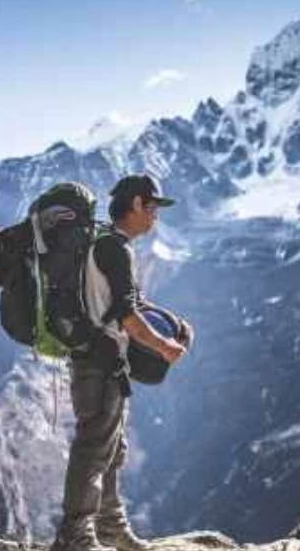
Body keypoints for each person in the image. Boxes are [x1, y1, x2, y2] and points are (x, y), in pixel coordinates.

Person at [51, 174, 194, 551]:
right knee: (95, 446)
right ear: (135, 205)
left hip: (98, 360)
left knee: (112, 447)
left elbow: (122, 304)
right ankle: (76, 536)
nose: (154, 217)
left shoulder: (100, 242)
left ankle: (109, 527)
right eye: (152, 208)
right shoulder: (116, 249)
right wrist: (165, 346)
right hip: (100, 362)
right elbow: (127, 316)